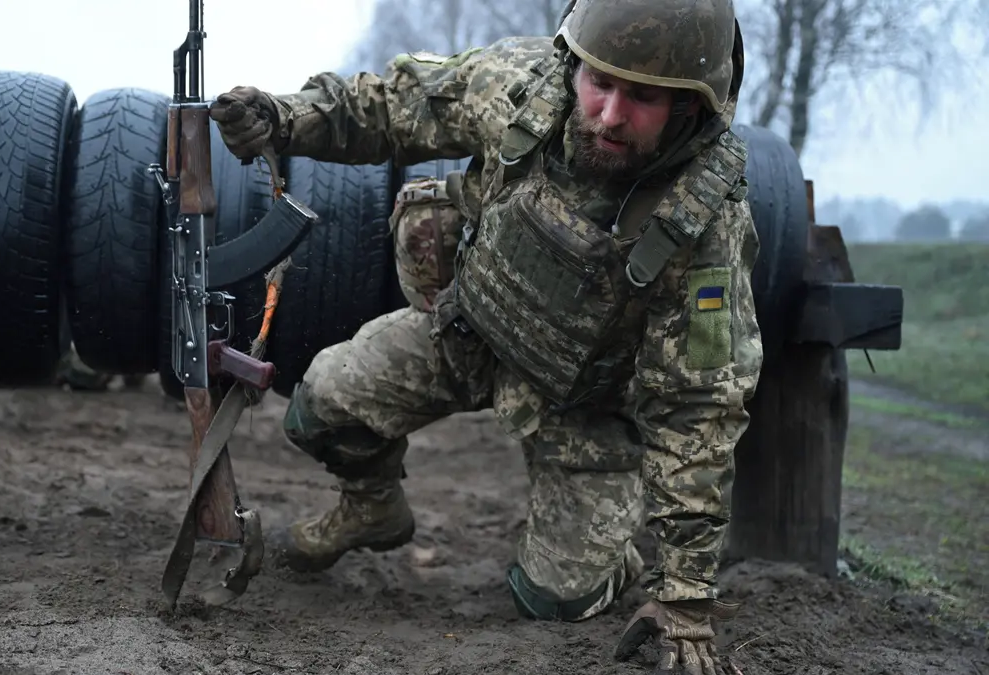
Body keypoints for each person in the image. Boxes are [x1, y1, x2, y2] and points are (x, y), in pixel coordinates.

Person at [209, 0, 762, 671]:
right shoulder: (518, 85)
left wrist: (685, 597)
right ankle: (373, 504)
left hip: (581, 400)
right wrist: (282, 117)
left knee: (556, 599)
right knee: (322, 402)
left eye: (643, 98)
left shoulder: (703, 227)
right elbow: (390, 106)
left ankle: (614, 548)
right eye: (601, 84)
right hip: (469, 330)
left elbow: (698, 408)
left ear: (691, 105)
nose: (611, 115)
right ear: (574, 63)